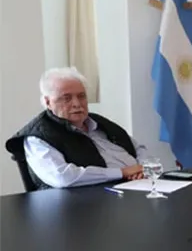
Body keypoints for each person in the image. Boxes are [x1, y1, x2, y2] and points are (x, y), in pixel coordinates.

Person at [5, 67, 147, 189]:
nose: (77, 104)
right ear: (48, 102)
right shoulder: (37, 136)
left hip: (136, 185)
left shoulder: (99, 122)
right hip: (83, 203)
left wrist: (143, 169)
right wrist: (122, 172)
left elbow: (138, 148)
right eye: (66, 98)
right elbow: (62, 177)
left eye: (81, 96)